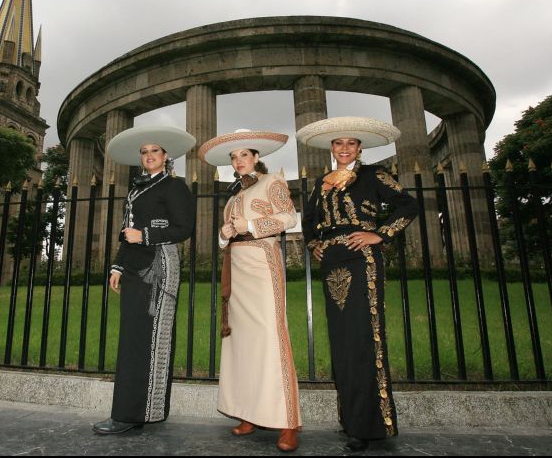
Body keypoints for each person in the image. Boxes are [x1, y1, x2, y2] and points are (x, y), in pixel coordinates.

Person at [296, 117, 418, 452]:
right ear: (332, 148)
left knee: (364, 338)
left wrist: (380, 234)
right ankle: (351, 421)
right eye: (338, 143)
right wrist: (313, 244)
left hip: (362, 261)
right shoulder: (322, 181)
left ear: (360, 148)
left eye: (351, 143)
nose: (344, 148)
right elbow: (308, 220)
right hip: (332, 262)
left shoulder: (373, 175)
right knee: (342, 342)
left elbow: (408, 205)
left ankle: (370, 427)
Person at [198, 130, 302, 452]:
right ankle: (249, 413)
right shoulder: (230, 200)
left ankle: (288, 421)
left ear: (256, 157)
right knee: (241, 343)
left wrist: (251, 226)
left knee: (271, 336)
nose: (238, 161)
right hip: (237, 269)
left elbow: (289, 217)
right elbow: (225, 238)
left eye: (244, 155)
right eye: (233, 157)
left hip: (262, 263)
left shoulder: (273, 183)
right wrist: (225, 232)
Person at [92, 125, 196, 435]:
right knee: (133, 336)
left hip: (159, 265)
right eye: (144, 152)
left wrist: (145, 235)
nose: (149, 155)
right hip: (135, 267)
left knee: (148, 337)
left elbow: (184, 228)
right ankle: (135, 411)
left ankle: (133, 413)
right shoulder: (136, 190)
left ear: (166, 156)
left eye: (155, 151)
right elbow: (127, 234)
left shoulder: (175, 187)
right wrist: (117, 267)